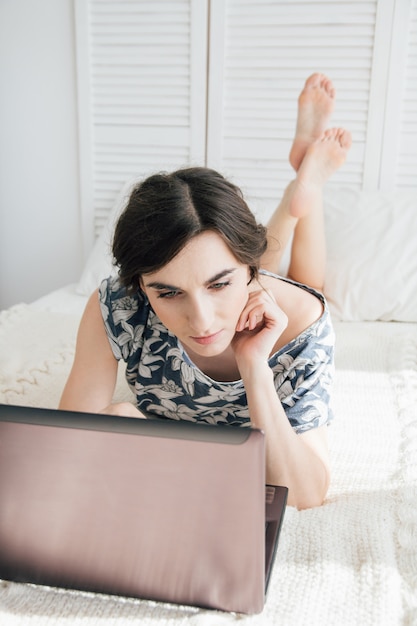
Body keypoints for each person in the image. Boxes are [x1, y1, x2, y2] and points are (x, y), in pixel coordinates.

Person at [60, 73, 352, 509]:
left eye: (220, 285)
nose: (201, 321)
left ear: (250, 270)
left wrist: (255, 366)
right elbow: (64, 446)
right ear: (140, 284)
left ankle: (304, 195)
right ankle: (296, 192)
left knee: (308, 289)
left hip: (276, 290)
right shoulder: (118, 307)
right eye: (168, 293)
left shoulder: (303, 325)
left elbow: (306, 495)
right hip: (248, 265)